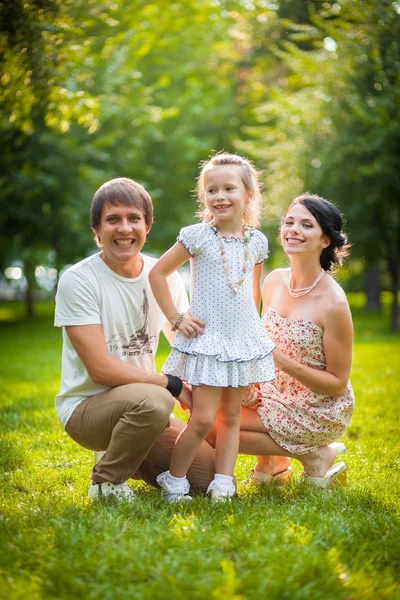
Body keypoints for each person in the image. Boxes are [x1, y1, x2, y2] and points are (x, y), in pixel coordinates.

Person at [54, 177, 215, 502]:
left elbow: (187, 343)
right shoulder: (78, 280)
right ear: (97, 230)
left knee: (205, 479)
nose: (124, 228)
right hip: (87, 408)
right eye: (113, 220)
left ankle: (129, 450)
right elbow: (100, 370)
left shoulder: (162, 277)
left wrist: (210, 384)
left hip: (142, 408)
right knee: (157, 401)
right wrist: (170, 384)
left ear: (147, 226)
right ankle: (106, 482)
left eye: (133, 219)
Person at [149, 152, 275, 502]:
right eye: (212, 189)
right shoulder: (198, 236)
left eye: (229, 188)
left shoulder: (258, 242)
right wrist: (177, 317)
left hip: (239, 343)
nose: (219, 196)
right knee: (203, 419)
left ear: (248, 195)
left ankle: (224, 481)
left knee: (232, 417)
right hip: (208, 341)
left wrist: (252, 347)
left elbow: (253, 294)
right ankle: (173, 480)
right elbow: (157, 273)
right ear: (204, 196)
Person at [237, 194, 355, 488]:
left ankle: (315, 456)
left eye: (306, 225)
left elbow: (338, 384)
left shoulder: (334, 303)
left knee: (219, 428)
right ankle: (274, 463)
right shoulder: (274, 280)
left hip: (316, 406)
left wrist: (280, 360)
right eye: (289, 222)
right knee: (207, 411)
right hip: (272, 390)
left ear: (325, 240)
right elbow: (258, 340)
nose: (293, 230)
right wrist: (251, 381)